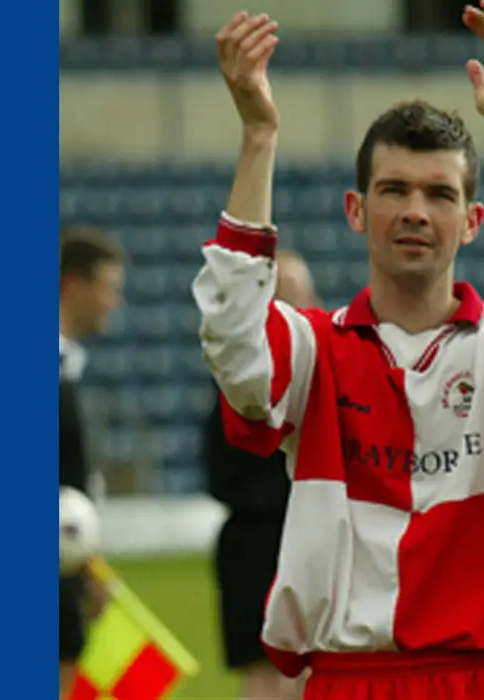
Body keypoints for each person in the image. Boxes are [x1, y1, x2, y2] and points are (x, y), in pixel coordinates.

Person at [193, 3, 484, 699]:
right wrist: (258, 135)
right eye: (393, 190)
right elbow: (234, 342)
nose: (416, 212)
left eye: (439, 194)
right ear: (356, 210)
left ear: (473, 220)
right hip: (352, 678)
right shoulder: (311, 350)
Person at [205, 250, 316, 700]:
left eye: (302, 293)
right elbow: (221, 473)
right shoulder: (238, 383)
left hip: (312, 541)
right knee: (266, 673)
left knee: (317, 667)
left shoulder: (327, 370)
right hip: (258, 544)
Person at [59, 227, 125, 699]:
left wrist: (91, 566)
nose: (113, 304)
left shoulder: (69, 366)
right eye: (108, 290)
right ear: (74, 287)